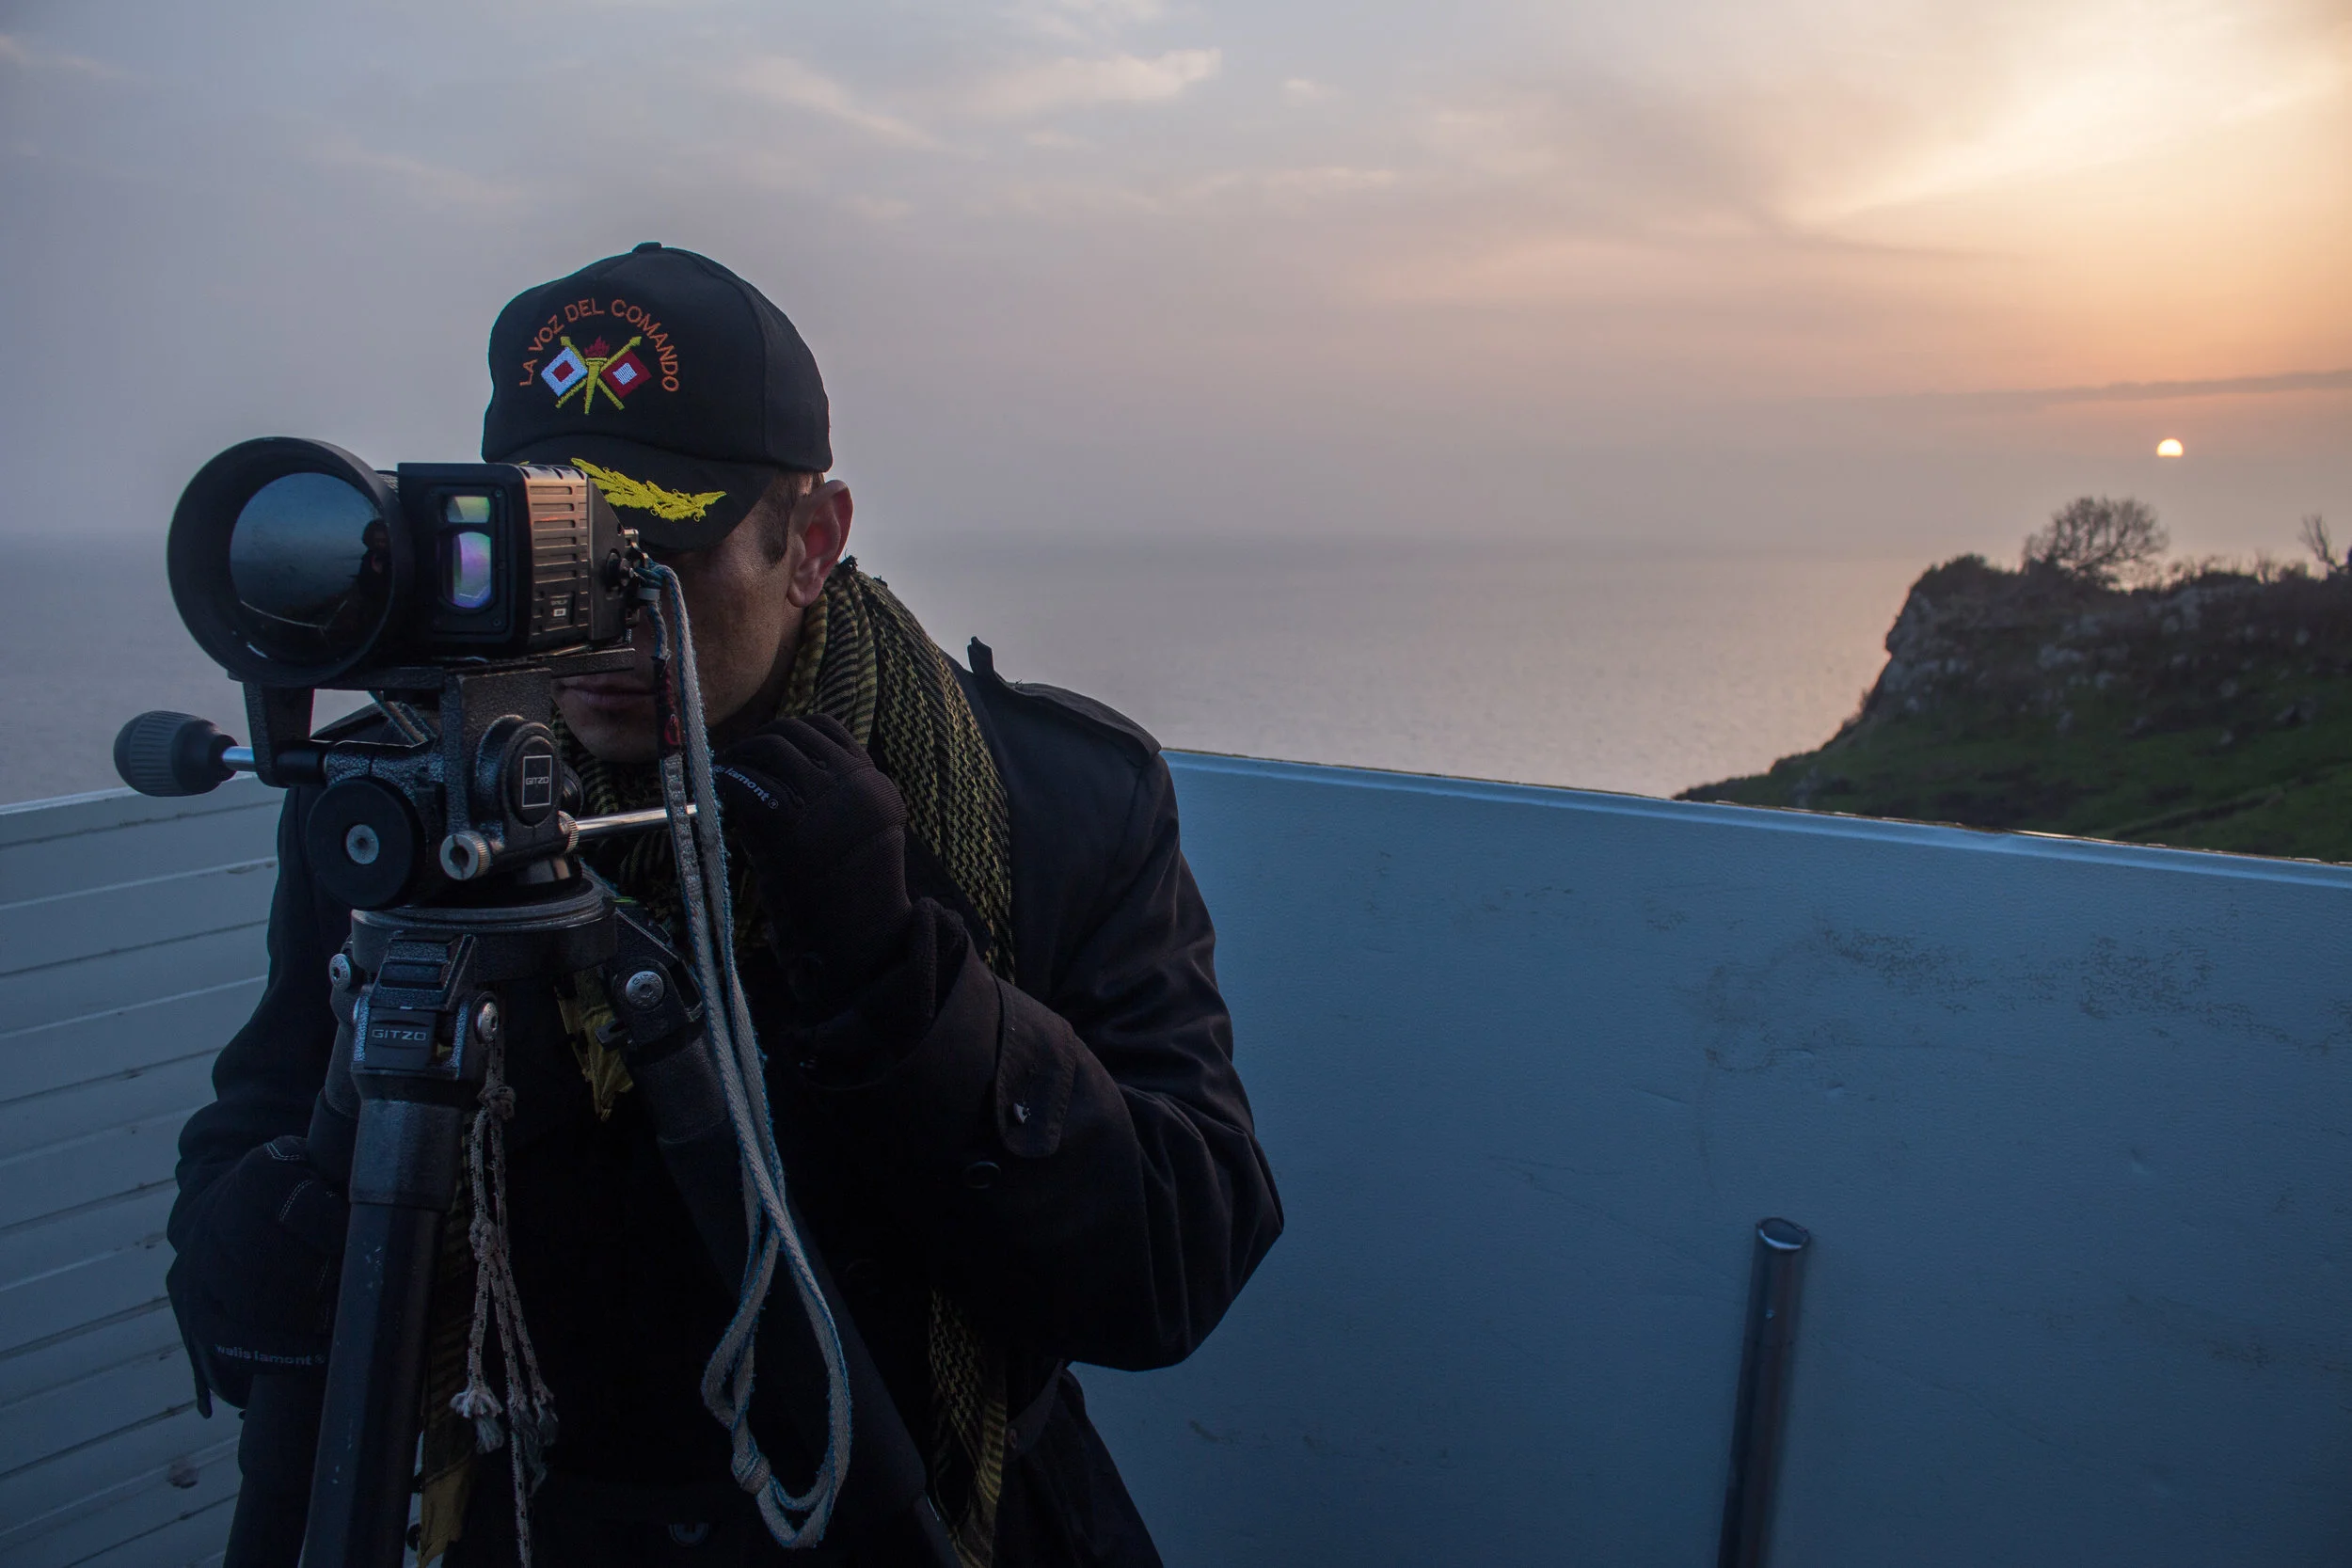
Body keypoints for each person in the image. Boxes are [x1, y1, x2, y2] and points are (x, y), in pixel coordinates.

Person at [165, 243, 1284, 1567]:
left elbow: (1175, 1256)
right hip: (544, 1521)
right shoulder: (409, 794)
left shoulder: (1045, 800)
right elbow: (257, 1136)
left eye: (648, 565)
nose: (591, 629)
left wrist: (902, 982)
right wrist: (278, 1249)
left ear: (810, 542)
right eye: (554, 556)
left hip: (922, 1514)